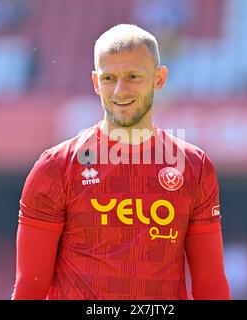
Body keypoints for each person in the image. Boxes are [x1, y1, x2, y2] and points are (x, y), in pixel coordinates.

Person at [12, 24, 230, 300]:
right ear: (95, 82)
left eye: (133, 76)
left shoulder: (194, 166)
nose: (119, 90)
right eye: (108, 78)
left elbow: (209, 281)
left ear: (159, 78)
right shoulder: (56, 167)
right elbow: (30, 286)